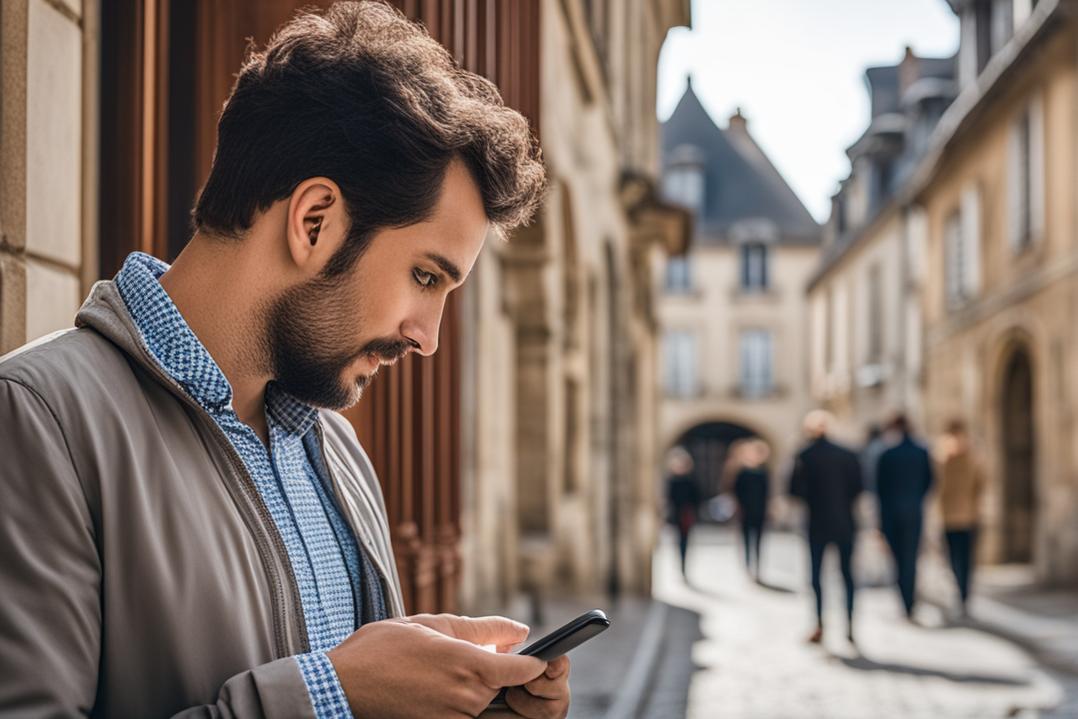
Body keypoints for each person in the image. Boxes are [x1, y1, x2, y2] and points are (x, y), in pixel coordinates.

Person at [0, 4, 568, 718]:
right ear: (314, 222)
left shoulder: (336, 450)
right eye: (427, 277)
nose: (427, 336)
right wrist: (331, 692)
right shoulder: (38, 419)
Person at [789, 410, 863, 644]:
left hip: (817, 522)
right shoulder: (848, 454)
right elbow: (859, 487)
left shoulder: (804, 455)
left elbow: (794, 491)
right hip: (845, 521)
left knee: (816, 576)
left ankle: (820, 623)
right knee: (847, 575)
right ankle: (850, 623)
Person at [876, 413, 934, 620]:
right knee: (910, 557)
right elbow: (930, 482)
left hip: (891, 514)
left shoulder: (887, 454)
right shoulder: (921, 452)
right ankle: (910, 601)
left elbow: (879, 490)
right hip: (914, 512)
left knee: (898, 559)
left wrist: (880, 522)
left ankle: (904, 599)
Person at [936, 419, 986, 615]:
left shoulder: (972, 459)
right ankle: (961, 592)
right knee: (954, 559)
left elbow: (980, 485)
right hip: (949, 518)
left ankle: (964, 594)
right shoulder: (943, 460)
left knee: (965, 559)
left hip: (968, 517)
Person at [734, 439, 770, 581]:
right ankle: (748, 565)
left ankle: (758, 567)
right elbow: (737, 491)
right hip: (746, 511)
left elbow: (767, 493)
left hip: (759, 510)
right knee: (746, 539)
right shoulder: (742, 472)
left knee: (759, 540)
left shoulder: (763, 472)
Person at [666, 446, 701, 578]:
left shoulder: (690, 481)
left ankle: (684, 564)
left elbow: (696, 498)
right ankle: (679, 564)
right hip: (675, 514)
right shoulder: (671, 480)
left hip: (686, 515)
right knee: (676, 540)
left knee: (685, 540)